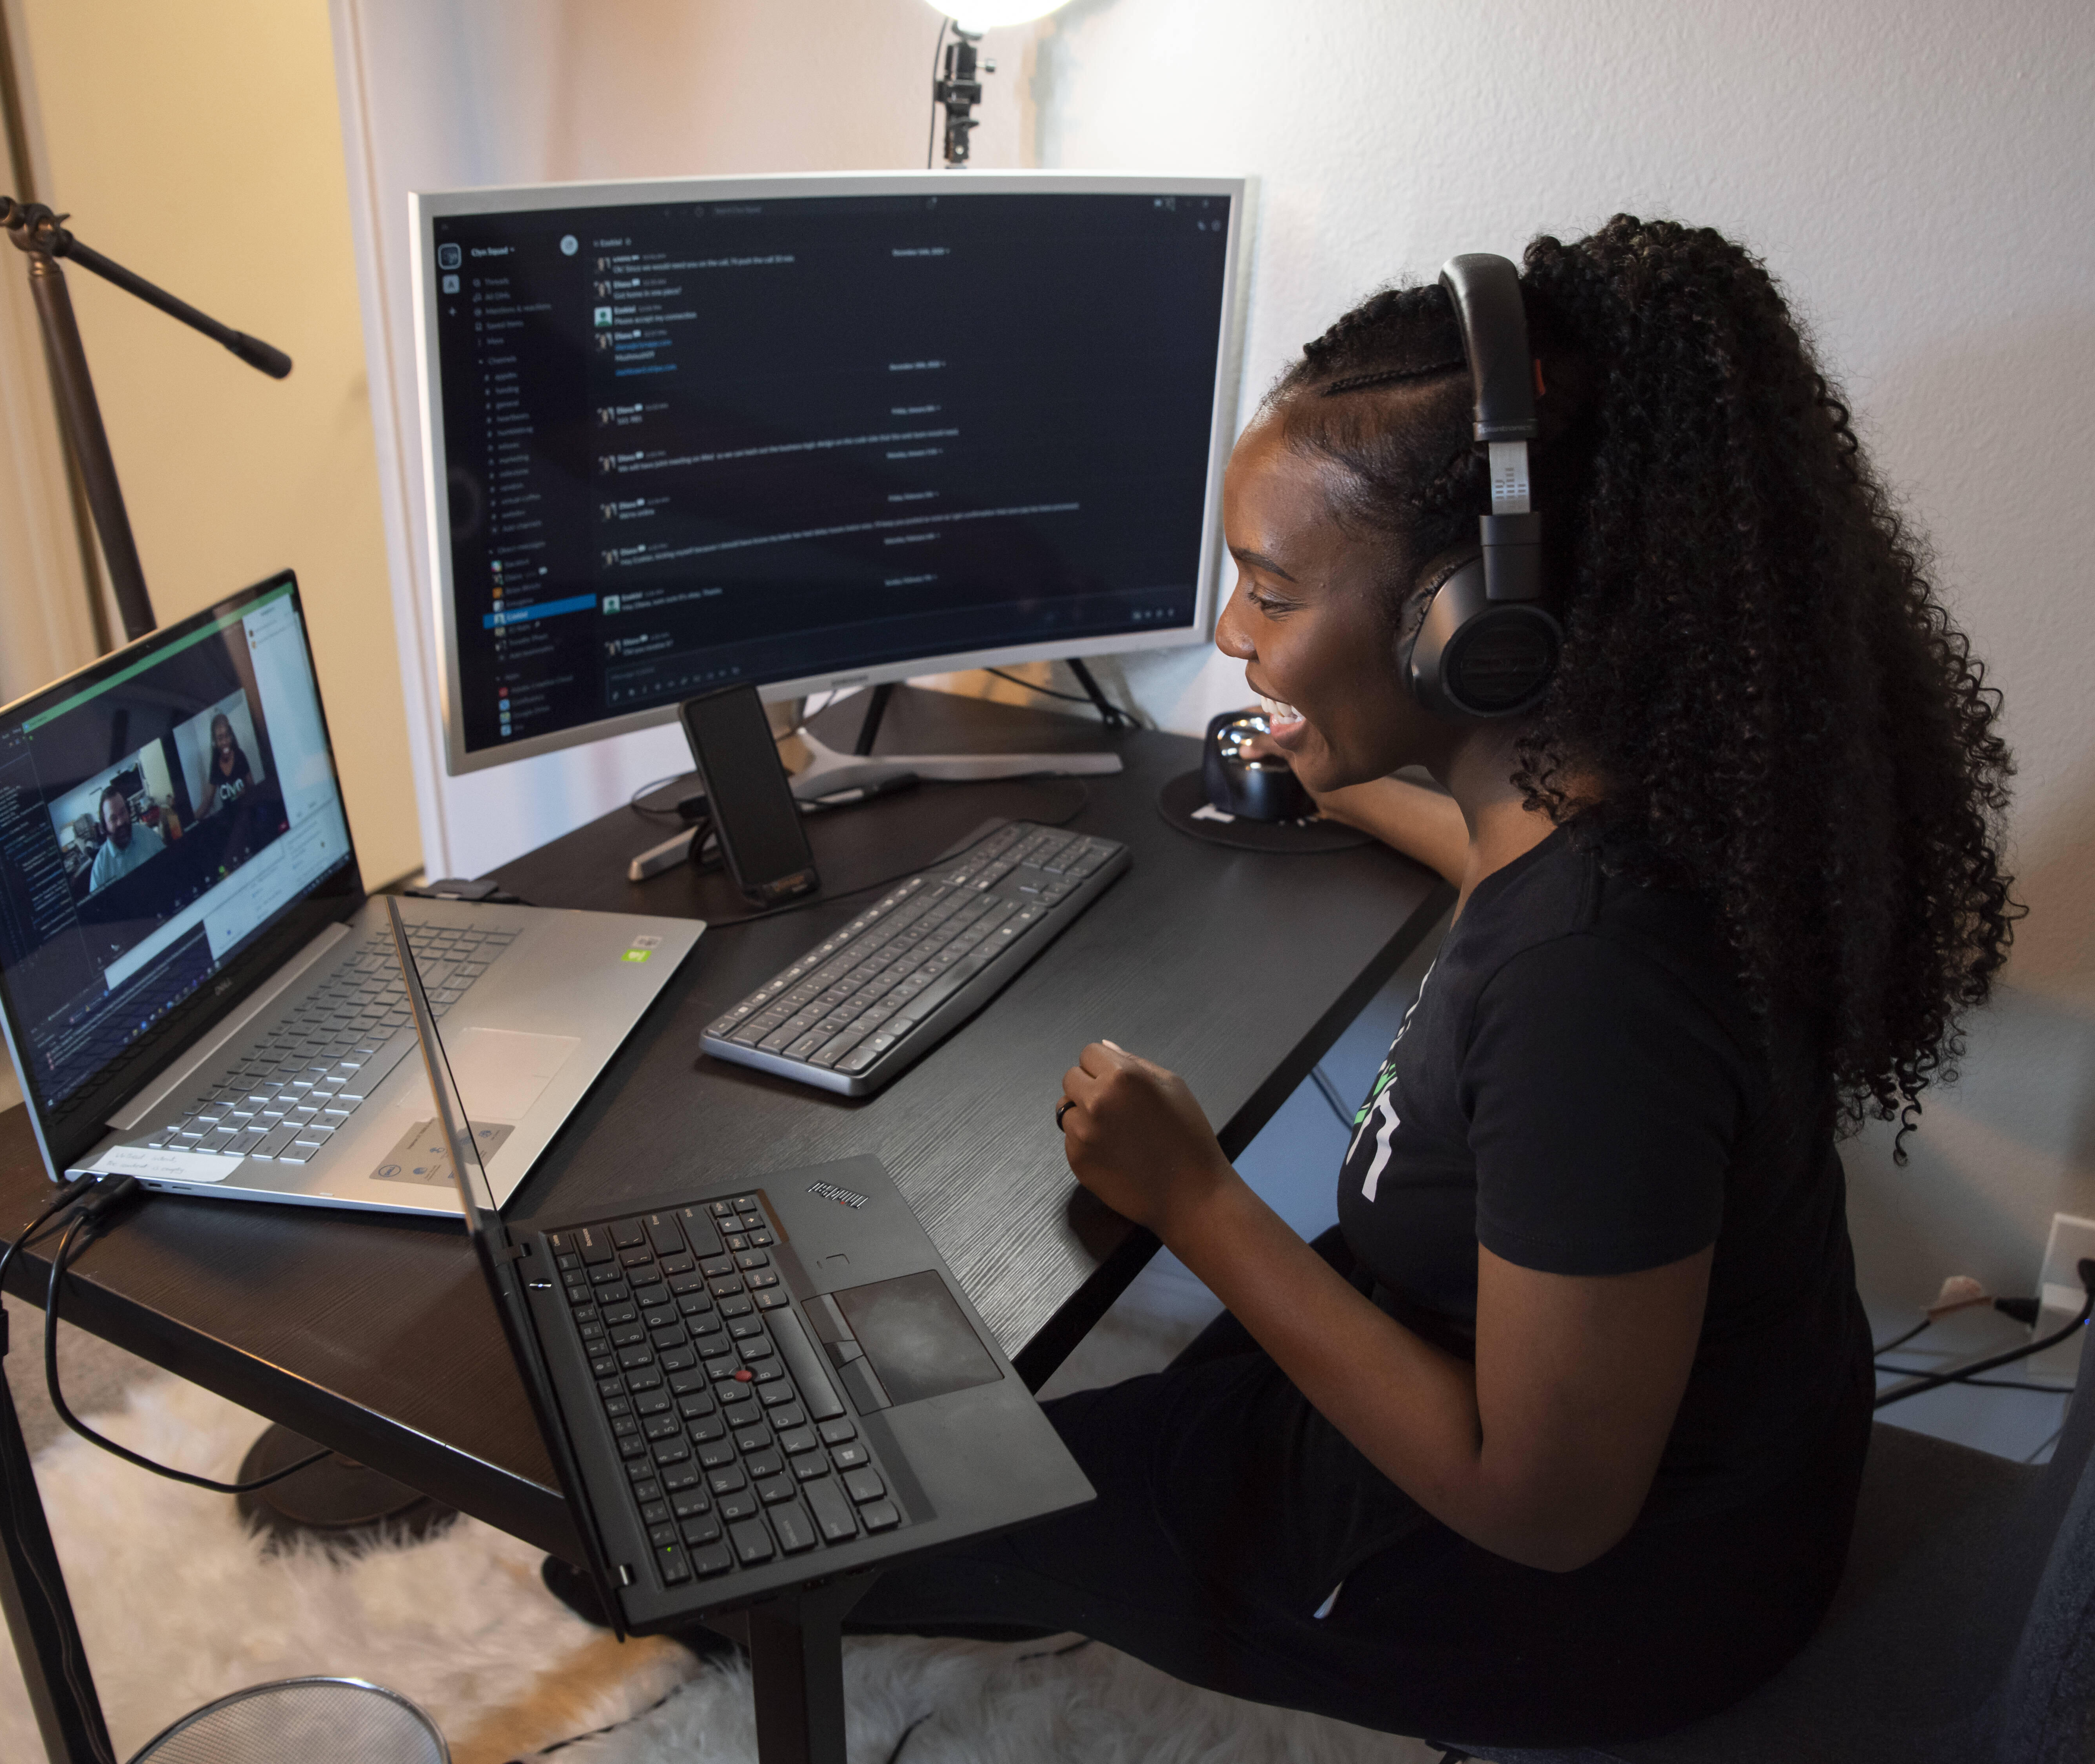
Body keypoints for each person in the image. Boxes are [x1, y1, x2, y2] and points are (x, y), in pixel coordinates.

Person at [848, 216, 2018, 1747]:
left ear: (1469, 625)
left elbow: (1539, 1508)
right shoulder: (1643, 826)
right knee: (1078, 1441)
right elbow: (1512, 878)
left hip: (1569, 1606)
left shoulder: (1591, 990)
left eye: (1269, 588)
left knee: (842, 1524)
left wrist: (1193, 1196)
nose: (1229, 632)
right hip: (1713, 1484)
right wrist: (1343, 789)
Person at [86, 780, 165, 892]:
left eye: (123, 812)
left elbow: (168, 867)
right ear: (104, 826)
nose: (121, 822)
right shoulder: (100, 870)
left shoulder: (147, 835)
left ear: (128, 811)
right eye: (113, 819)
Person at [194, 711, 254, 820]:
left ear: (231, 736)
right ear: (215, 742)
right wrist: (192, 820)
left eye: (227, 736)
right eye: (220, 738)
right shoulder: (215, 765)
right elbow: (208, 802)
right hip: (231, 819)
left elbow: (252, 788)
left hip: (248, 813)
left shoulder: (240, 755)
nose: (225, 742)